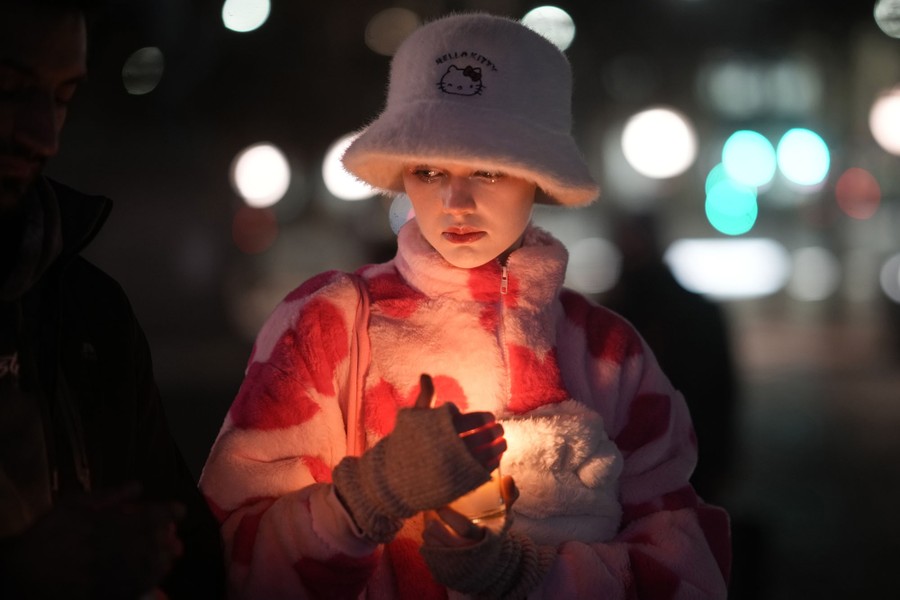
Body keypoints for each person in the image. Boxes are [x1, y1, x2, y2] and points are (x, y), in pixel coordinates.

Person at [200, 13, 731, 599]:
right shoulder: (328, 326)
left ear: (539, 177)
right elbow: (228, 558)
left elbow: (690, 568)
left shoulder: (611, 354)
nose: (456, 201)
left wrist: (527, 575)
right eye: (429, 170)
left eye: (488, 169)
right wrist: (365, 498)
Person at [0, 0, 224, 597]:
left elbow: (193, 553)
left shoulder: (88, 313)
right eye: (10, 90)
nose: (43, 136)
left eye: (62, 98)